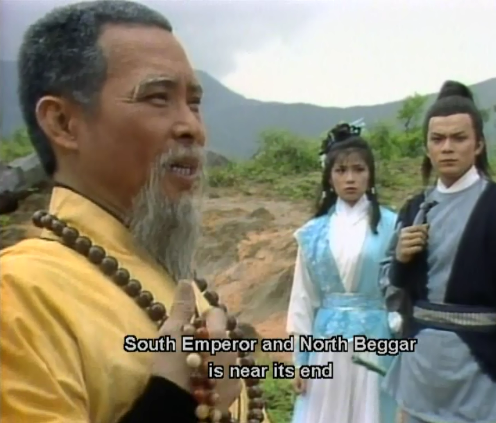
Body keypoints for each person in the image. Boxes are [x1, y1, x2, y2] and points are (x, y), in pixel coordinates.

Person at [0, 2, 268, 422]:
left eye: (194, 104)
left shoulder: (173, 278)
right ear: (63, 123)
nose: (193, 128)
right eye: (157, 98)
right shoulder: (20, 294)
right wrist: (171, 401)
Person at [380, 80, 496, 423]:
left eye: (459, 138)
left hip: (481, 378)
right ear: (427, 147)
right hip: (419, 377)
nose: (447, 148)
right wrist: (400, 263)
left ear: (479, 144)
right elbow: (390, 294)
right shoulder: (413, 210)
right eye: (438, 139)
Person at [286, 123, 399, 423]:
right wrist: (301, 360)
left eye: (359, 169)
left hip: (376, 340)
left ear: (370, 175)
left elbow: (401, 289)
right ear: (329, 176)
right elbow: (303, 298)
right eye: (341, 170)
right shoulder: (313, 233)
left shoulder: (393, 225)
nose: (350, 178)